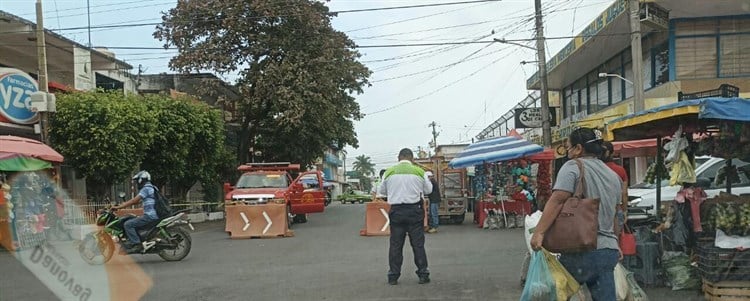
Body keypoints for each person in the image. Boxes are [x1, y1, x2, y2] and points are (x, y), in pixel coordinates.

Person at [530, 128, 622, 301]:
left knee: (552, 293)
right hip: (608, 251)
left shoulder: (573, 166)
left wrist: (539, 232)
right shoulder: (613, 176)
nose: (568, 152)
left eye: (568, 147)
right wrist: (616, 243)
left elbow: (557, 200)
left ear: (579, 148)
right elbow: (616, 215)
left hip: (582, 250)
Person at [378, 148, 433, 285]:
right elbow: (428, 190)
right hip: (414, 211)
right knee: (418, 245)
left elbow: (382, 191)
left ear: (399, 158)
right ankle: (423, 274)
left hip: (396, 211)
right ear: (412, 158)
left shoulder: (389, 172)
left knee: (396, 245)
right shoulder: (419, 171)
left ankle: (393, 276)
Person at [113, 170, 159, 253]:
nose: (137, 183)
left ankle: (136, 244)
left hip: (150, 216)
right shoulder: (152, 187)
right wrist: (124, 204)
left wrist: (119, 207)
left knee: (128, 224)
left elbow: (134, 200)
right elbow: (138, 201)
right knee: (132, 219)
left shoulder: (146, 189)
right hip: (154, 215)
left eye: (137, 180)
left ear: (141, 180)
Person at [601, 141, 629, 235]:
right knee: (616, 238)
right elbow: (624, 193)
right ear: (612, 153)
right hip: (616, 209)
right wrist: (625, 210)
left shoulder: (594, 169)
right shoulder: (620, 170)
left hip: (600, 209)